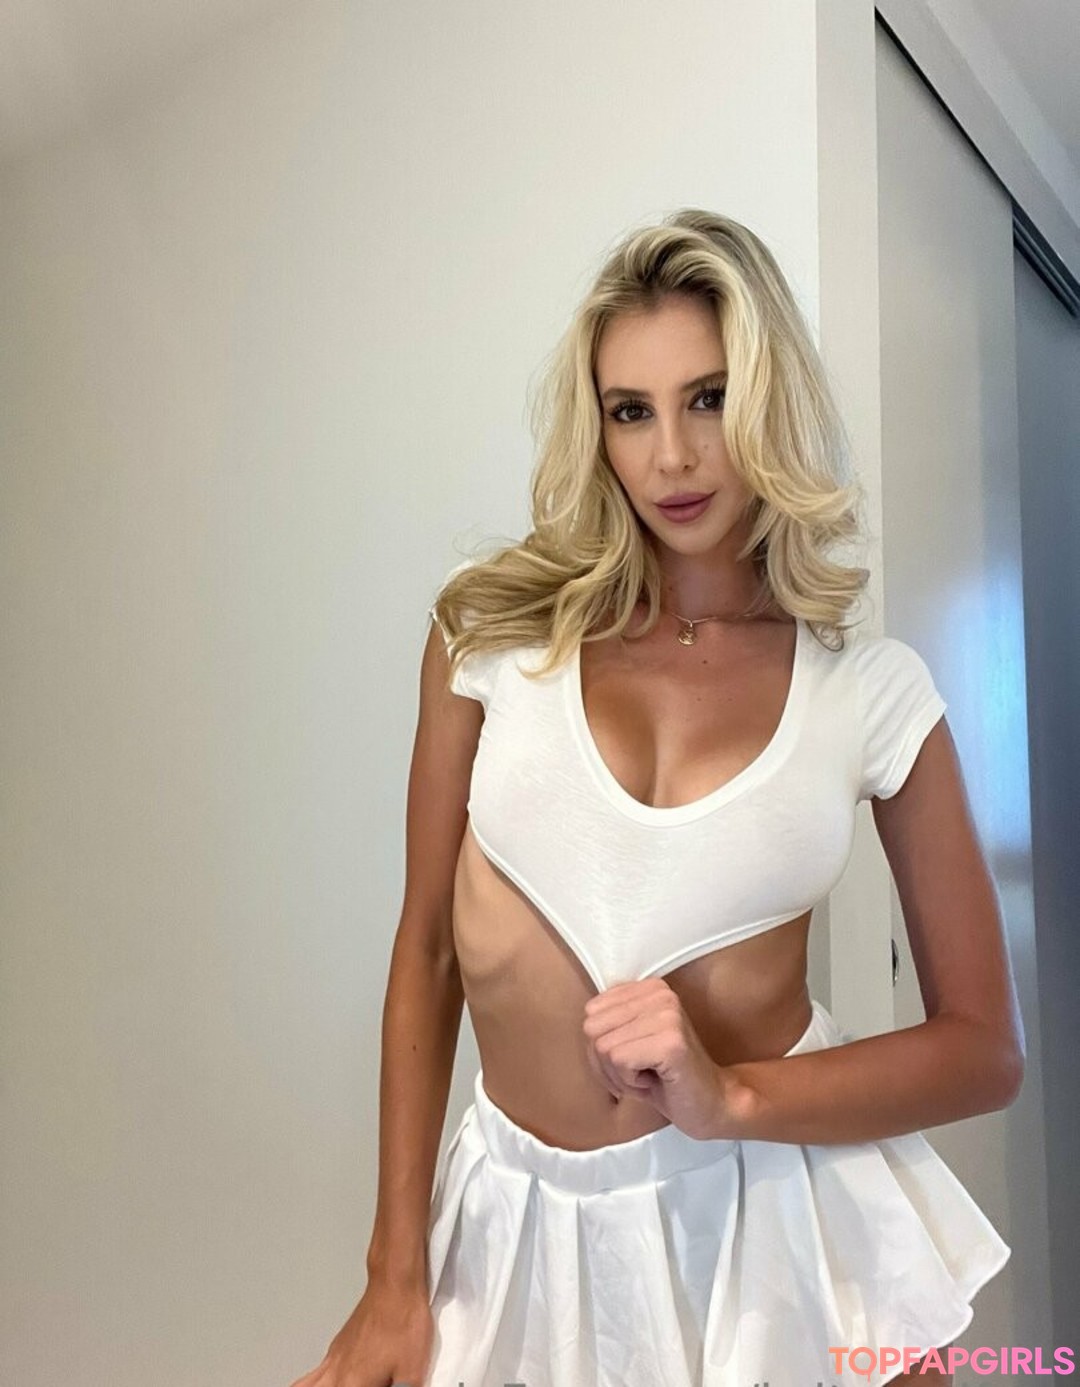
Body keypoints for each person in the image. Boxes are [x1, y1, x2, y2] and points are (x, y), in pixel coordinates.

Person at [290, 209, 1022, 1387]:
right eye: (630, 411)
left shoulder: (869, 691)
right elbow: (425, 949)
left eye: (709, 398)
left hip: (772, 1229)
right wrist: (392, 1277)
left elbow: (983, 1051)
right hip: (519, 1230)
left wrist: (732, 1094)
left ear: (770, 399)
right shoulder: (489, 636)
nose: (671, 457)